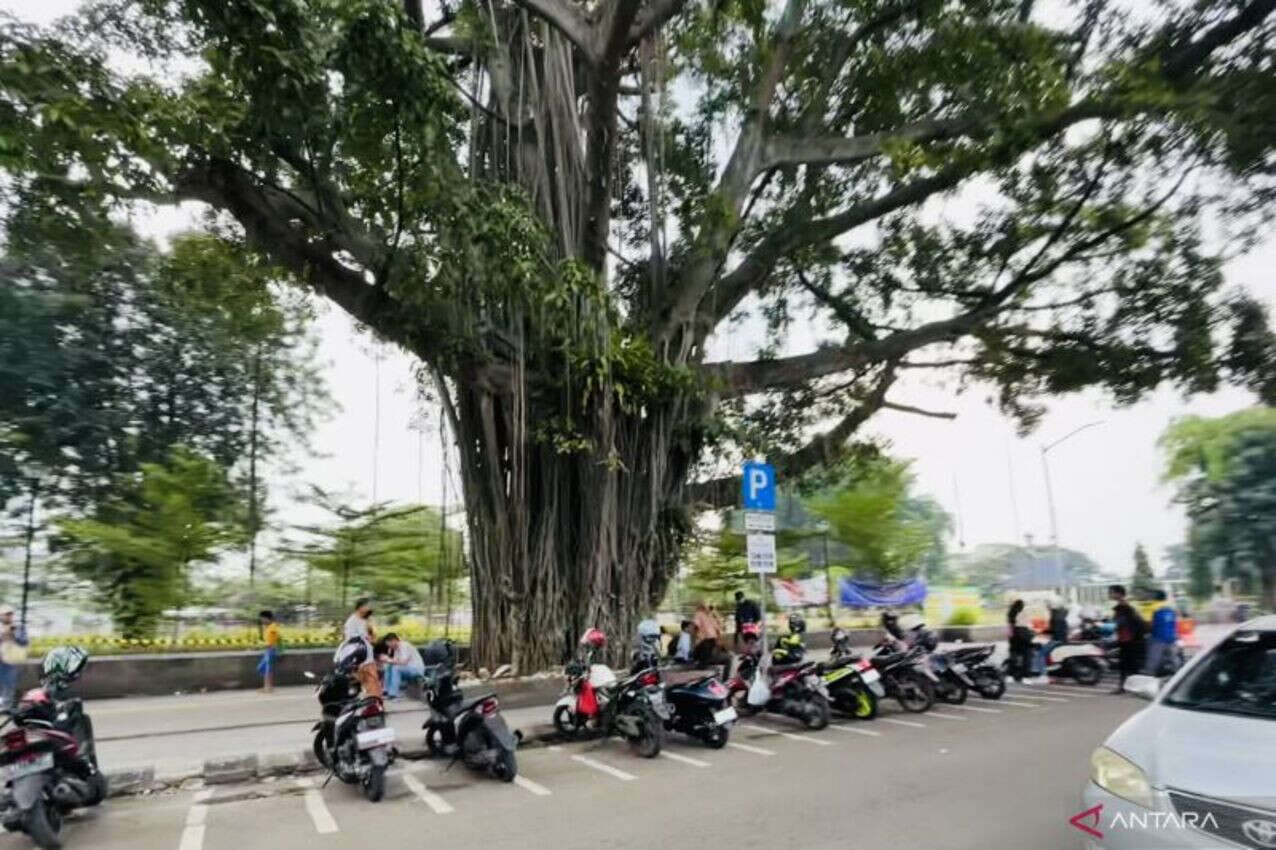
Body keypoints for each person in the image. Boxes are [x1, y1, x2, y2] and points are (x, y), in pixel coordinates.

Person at [1109, 584, 1147, 693]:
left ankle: (1129, 687)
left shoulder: (1125, 606)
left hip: (1130, 639)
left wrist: (1116, 623)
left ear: (1118, 594)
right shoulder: (1123, 606)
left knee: (1129, 664)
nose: (1110, 594)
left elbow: (1126, 622)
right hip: (1126, 638)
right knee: (1126, 664)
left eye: (1112, 592)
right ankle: (1125, 687)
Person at [378, 632, 426, 699]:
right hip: (407, 669)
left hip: (416, 669)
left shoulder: (404, 646)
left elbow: (403, 662)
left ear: (393, 641)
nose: (389, 647)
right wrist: (387, 659)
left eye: (389, 645)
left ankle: (393, 694)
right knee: (389, 667)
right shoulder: (396, 649)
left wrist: (388, 659)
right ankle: (386, 691)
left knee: (396, 668)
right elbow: (394, 662)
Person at [1032, 598, 1068, 684]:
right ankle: (1058, 675)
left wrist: (1041, 632)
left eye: (1048, 606)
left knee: (1040, 654)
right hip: (1063, 639)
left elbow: (1053, 630)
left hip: (1056, 640)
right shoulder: (1061, 614)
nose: (1047, 608)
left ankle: (1043, 676)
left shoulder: (1054, 616)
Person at [1143, 590, 1178, 677]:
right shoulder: (1171, 608)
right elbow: (1174, 623)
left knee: (1152, 662)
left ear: (1155, 597)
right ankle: (1179, 677)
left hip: (1158, 638)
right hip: (1171, 637)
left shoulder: (1153, 607)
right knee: (1174, 660)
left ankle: (1149, 679)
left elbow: (1149, 624)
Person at [0, 605, 29, 709]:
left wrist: (13, 635)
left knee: (9, 684)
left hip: (11, 661)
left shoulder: (19, 627)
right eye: (6, 614)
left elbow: (24, 642)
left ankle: (6, 708)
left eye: (10, 614)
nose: (9, 617)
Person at [691, 601, 730, 677]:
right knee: (709, 644)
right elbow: (695, 627)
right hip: (704, 645)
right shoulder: (699, 614)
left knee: (728, 658)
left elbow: (721, 628)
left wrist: (716, 613)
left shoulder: (711, 617)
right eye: (708, 606)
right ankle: (702, 667)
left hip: (712, 645)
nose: (710, 608)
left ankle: (725, 679)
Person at [1006, 599, 1034, 683]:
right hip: (1024, 633)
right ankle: (1026, 677)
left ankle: (1010, 676)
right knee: (1027, 656)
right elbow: (1029, 625)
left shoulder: (1011, 612)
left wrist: (1010, 636)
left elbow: (1010, 626)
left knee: (1013, 656)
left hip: (1014, 634)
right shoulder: (1025, 612)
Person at [257, 610, 281, 693]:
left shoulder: (273, 628)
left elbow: (271, 642)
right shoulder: (268, 627)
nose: (261, 620)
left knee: (268, 670)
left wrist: (259, 645)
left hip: (271, 651)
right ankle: (267, 687)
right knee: (262, 668)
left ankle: (269, 688)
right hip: (268, 651)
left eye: (262, 618)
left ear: (267, 618)